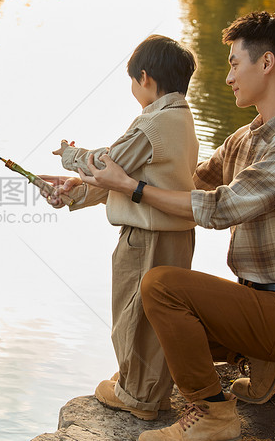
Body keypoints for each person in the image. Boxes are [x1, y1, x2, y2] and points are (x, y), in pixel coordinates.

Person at [73, 11, 275, 441]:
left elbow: (220, 208)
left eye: (235, 64)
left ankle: (213, 414)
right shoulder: (246, 138)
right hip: (259, 299)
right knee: (162, 333)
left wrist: (132, 186)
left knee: (160, 287)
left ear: (267, 63)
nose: (229, 76)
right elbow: (189, 183)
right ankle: (263, 361)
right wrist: (89, 187)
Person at [43, 34, 199, 421]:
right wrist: (75, 192)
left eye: (132, 81)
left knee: (135, 313)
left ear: (144, 77)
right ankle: (151, 389)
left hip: (146, 238)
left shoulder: (153, 125)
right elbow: (123, 180)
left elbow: (108, 164)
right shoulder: (181, 119)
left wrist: (70, 157)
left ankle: (137, 396)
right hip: (175, 236)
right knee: (158, 316)